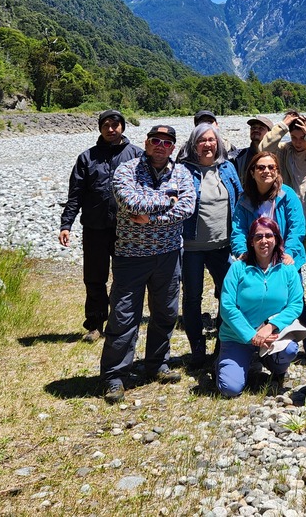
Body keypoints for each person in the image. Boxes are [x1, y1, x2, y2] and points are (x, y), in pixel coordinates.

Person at [100, 124, 196, 403]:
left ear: (174, 147)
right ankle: (115, 376)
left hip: (168, 255)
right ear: (146, 142)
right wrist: (167, 199)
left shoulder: (182, 172)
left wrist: (153, 217)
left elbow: (187, 208)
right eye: (156, 141)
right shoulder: (126, 170)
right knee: (123, 316)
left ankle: (157, 364)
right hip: (131, 255)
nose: (160, 146)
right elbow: (128, 202)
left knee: (166, 313)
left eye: (167, 143)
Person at [59, 109, 143, 342]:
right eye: (105, 125)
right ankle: (95, 324)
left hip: (126, 228)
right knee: (94, 277)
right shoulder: (87, 158)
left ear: (123, 127)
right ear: (100, 128)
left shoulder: (136, 155)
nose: (110, 129)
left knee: (123, 277)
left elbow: (148, 190)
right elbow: (75, 194)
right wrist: (66, 224)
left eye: (115, 125)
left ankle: (119, 321)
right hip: (94, 227)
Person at [177, 122, 242, 368]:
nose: (207, 144)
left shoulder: (227, 168)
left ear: (218, 143)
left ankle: (221, 344)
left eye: (211, 140)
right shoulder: (183, 169)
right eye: (202, 140)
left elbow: (241, 198)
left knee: (228, 296)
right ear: (194, 144)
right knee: (192, 298)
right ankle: (197, 348)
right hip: (191, 246)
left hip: (223, 245)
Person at [216, 215, 304, 396]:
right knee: (229, 389)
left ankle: (274, 367)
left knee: (290, 350)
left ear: (277, 239)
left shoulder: (288, 269)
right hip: (237, 337)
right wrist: (251, 335)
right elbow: (227, 307)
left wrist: (270, 327)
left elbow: (295, 305)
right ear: (251, 241)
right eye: (258, 237)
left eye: (269, 236)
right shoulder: (238, 268)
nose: (264, 241)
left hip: (272, 336)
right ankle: (226, 361)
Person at [261, 111, 306, 300]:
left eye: (302, 138)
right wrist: (283, 126)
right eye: (294, 137)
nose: (298, 142)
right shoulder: (284, 151)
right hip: (289, 223)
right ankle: (295, 310)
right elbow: (264, 148)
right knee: (288, 268)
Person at [231, 151, 305, 273]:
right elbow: (239, 230)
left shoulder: (288, 195)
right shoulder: (244, 200)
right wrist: (242, 251)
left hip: (286, 258)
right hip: (255, 259)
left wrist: (288, 253)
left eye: (271, 167)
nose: (266, 171)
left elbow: (297, 228)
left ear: (277, 172)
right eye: (261, 167)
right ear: (252, 172)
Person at [230, 116, 274, 181]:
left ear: (270, 133)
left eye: (261, 128)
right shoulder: (239, 156)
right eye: (253, 128)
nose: (256, 130)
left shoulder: (277, 154)